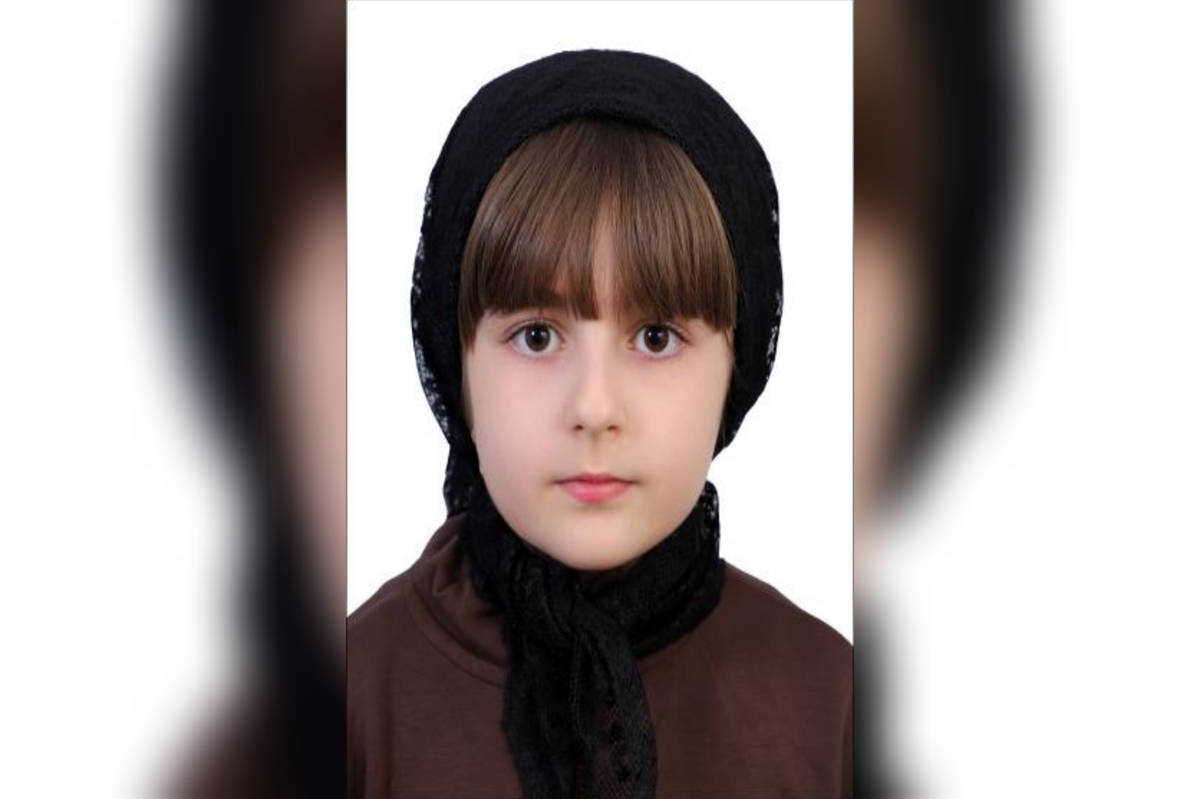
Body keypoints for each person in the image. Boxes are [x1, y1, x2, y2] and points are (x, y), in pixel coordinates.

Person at [348, 49, 852, 799]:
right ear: (458, 369)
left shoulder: (829, 699)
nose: (593, 409)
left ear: (736, 368)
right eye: (536, 336)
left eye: (655, 336)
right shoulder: (353, 699)